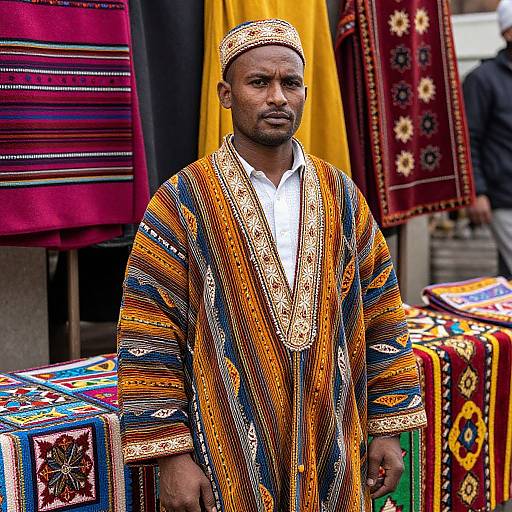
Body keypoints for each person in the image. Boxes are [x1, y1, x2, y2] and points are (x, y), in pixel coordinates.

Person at [117, 19, 427, 512]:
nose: (278, 97)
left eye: (290, 83)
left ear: (305, 91)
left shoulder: (341, 196)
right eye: (259, 83)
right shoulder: (180, 203)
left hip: (335, 454)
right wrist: (171, 455)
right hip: (228, 459)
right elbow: (148, 334)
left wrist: (388, 429)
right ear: (225, 93)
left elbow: (383, 314)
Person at [464, 0, 512, 278]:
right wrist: (477, 191)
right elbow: (469, 138)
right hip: (503, 197)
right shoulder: (482, 80)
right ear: (507, 32)